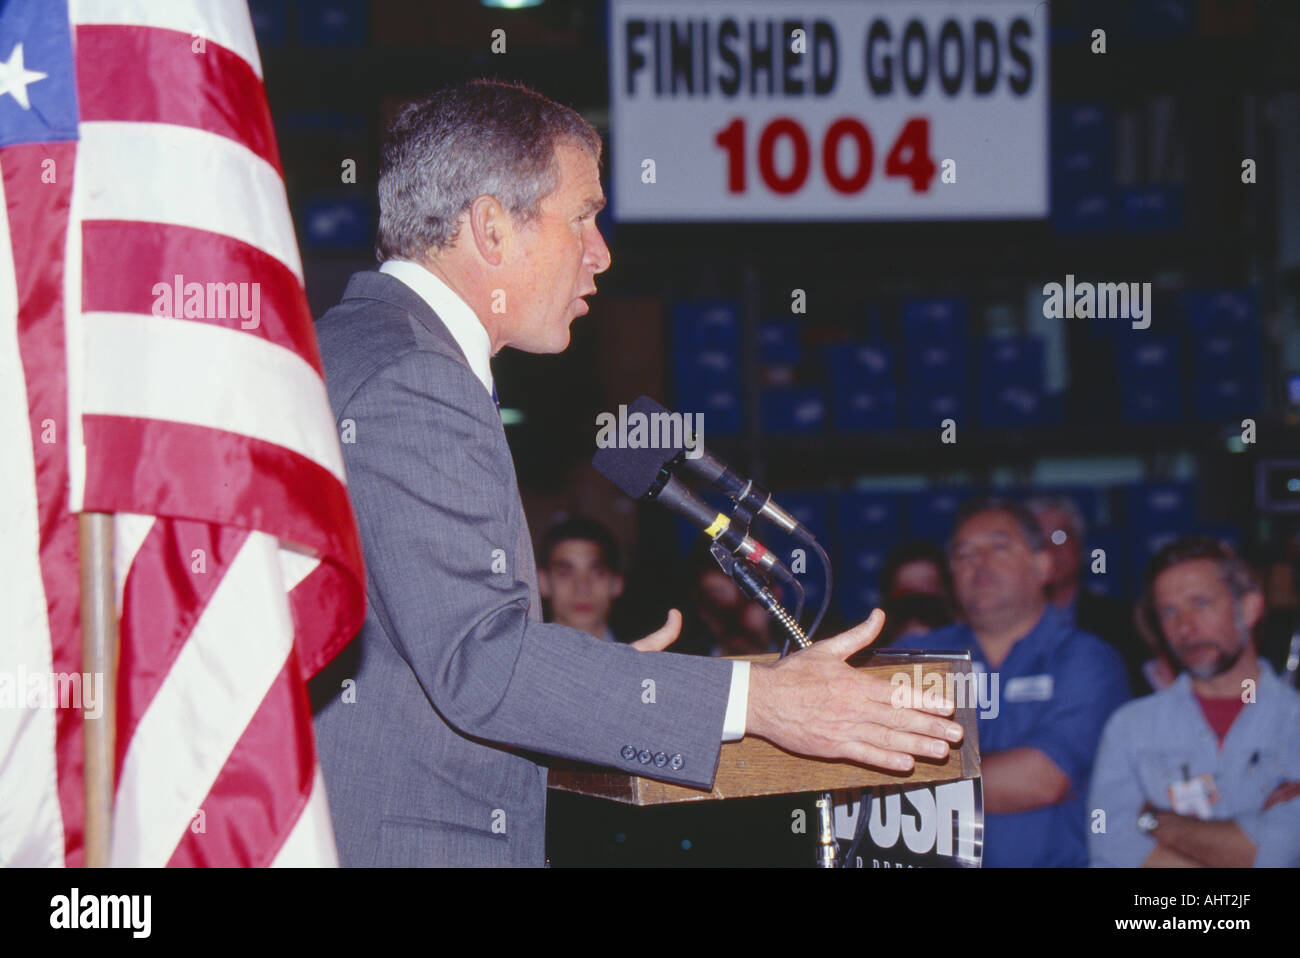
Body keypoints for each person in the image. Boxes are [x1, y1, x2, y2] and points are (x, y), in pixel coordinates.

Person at [308, 80, 963, 866]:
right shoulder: (416, 375)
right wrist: (762, 700)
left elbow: (419, 644)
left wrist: (609, 687)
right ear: (490, 227)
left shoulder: (354, 346)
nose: (602, 252)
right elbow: (479, 665)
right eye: (583, 216)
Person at [891, 497, 1129, 867]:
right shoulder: (915, 656)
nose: (979, 564)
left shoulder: (1087, 659)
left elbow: (1040, 780)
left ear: (1043, 565)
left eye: (999, 547)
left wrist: (910, 771)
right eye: (963, 554)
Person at [1088, 537, 1300, 867]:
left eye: (1200, 603)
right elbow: (1111, 850)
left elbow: (1281, 852)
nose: (1184, 626)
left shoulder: (1292, 723)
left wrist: (1156, 822)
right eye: (1169, 611)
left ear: (1249, 608)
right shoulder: (1130, 728)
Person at [1026, 495, 1150, 694]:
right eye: (1039, 540)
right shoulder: (1002, 622)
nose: (1049, 549)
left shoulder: (1123, 622)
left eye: (1060, 537)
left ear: (1080, 546)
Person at [537, 516, 625, 641]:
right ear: (542, 582)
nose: (582, 589)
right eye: (564, 573)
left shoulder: (644, 659)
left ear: (617, 583)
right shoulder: (513, 659)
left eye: (598, 573)